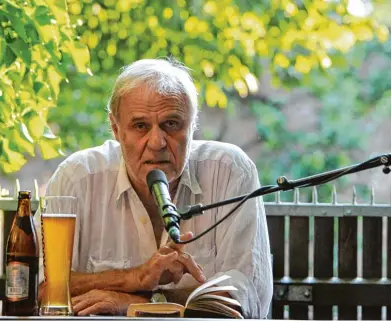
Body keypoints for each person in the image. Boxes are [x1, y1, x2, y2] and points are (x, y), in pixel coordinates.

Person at [36, 57, 273, 318]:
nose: (157, 142)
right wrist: (135, 278)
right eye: (140, 126)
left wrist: (135, 304)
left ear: (192, 126)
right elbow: (41, 289)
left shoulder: (230, 171)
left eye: (171, 124)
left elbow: (247, 299)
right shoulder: (78, 178)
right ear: (115, 129)